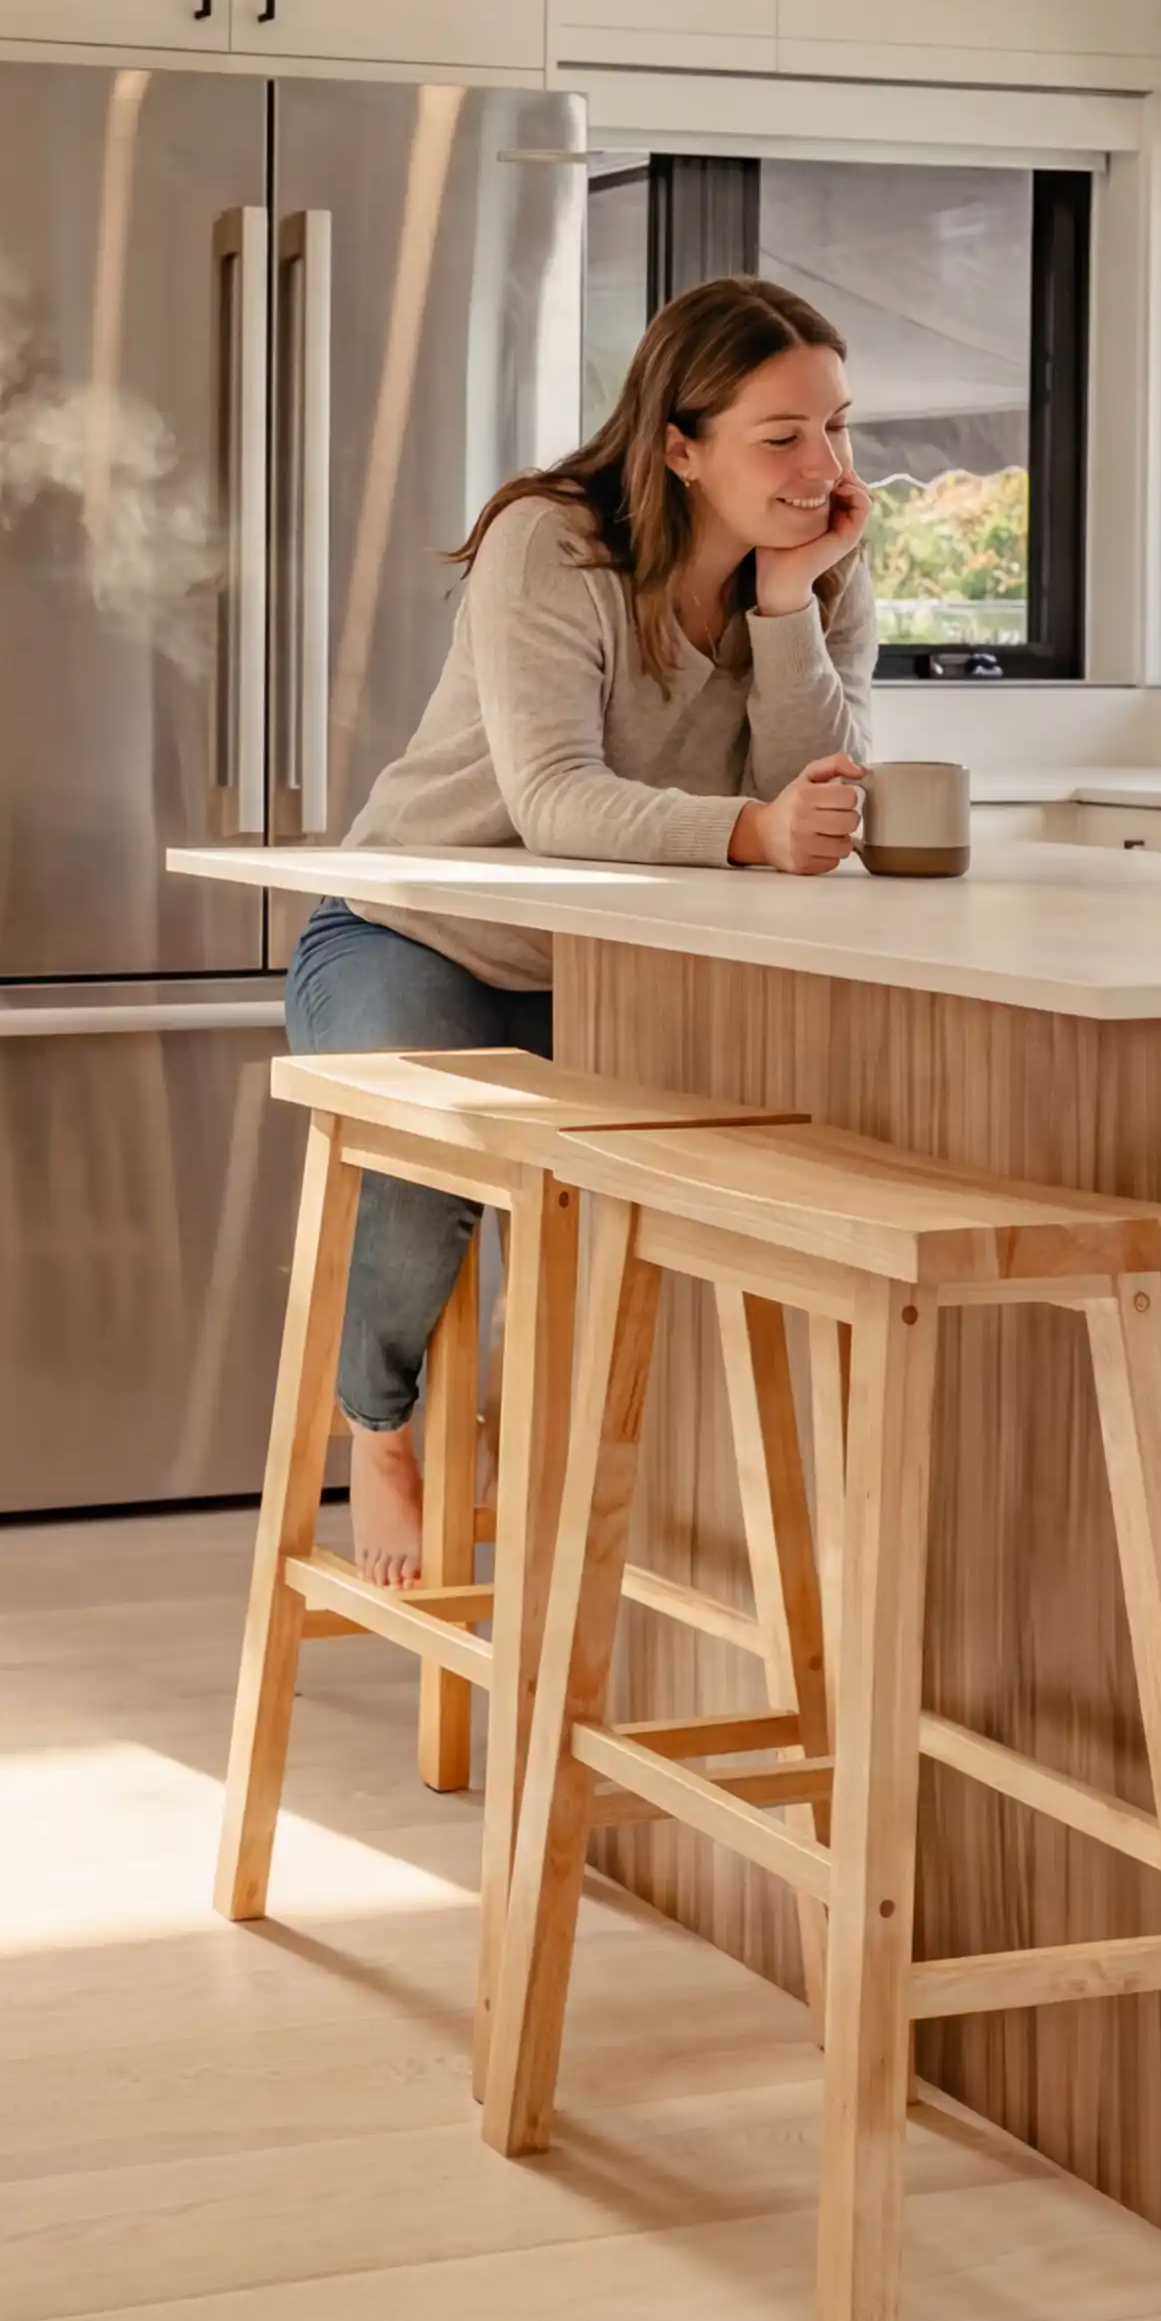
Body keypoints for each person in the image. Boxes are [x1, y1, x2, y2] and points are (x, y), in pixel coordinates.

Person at [286, 274, 883, 1584]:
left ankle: (536, 1455)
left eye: (838, 427)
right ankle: (382, 1432)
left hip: (611, 975)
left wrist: (789, 607)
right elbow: (553, 800)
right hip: (417, 928)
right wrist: (752, 831)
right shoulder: (554, 543)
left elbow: (827, 800)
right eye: (781, 437)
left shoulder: (823, 565)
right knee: (429, 1176)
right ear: (679, 443)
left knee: (634, 1219)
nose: (823, 467)